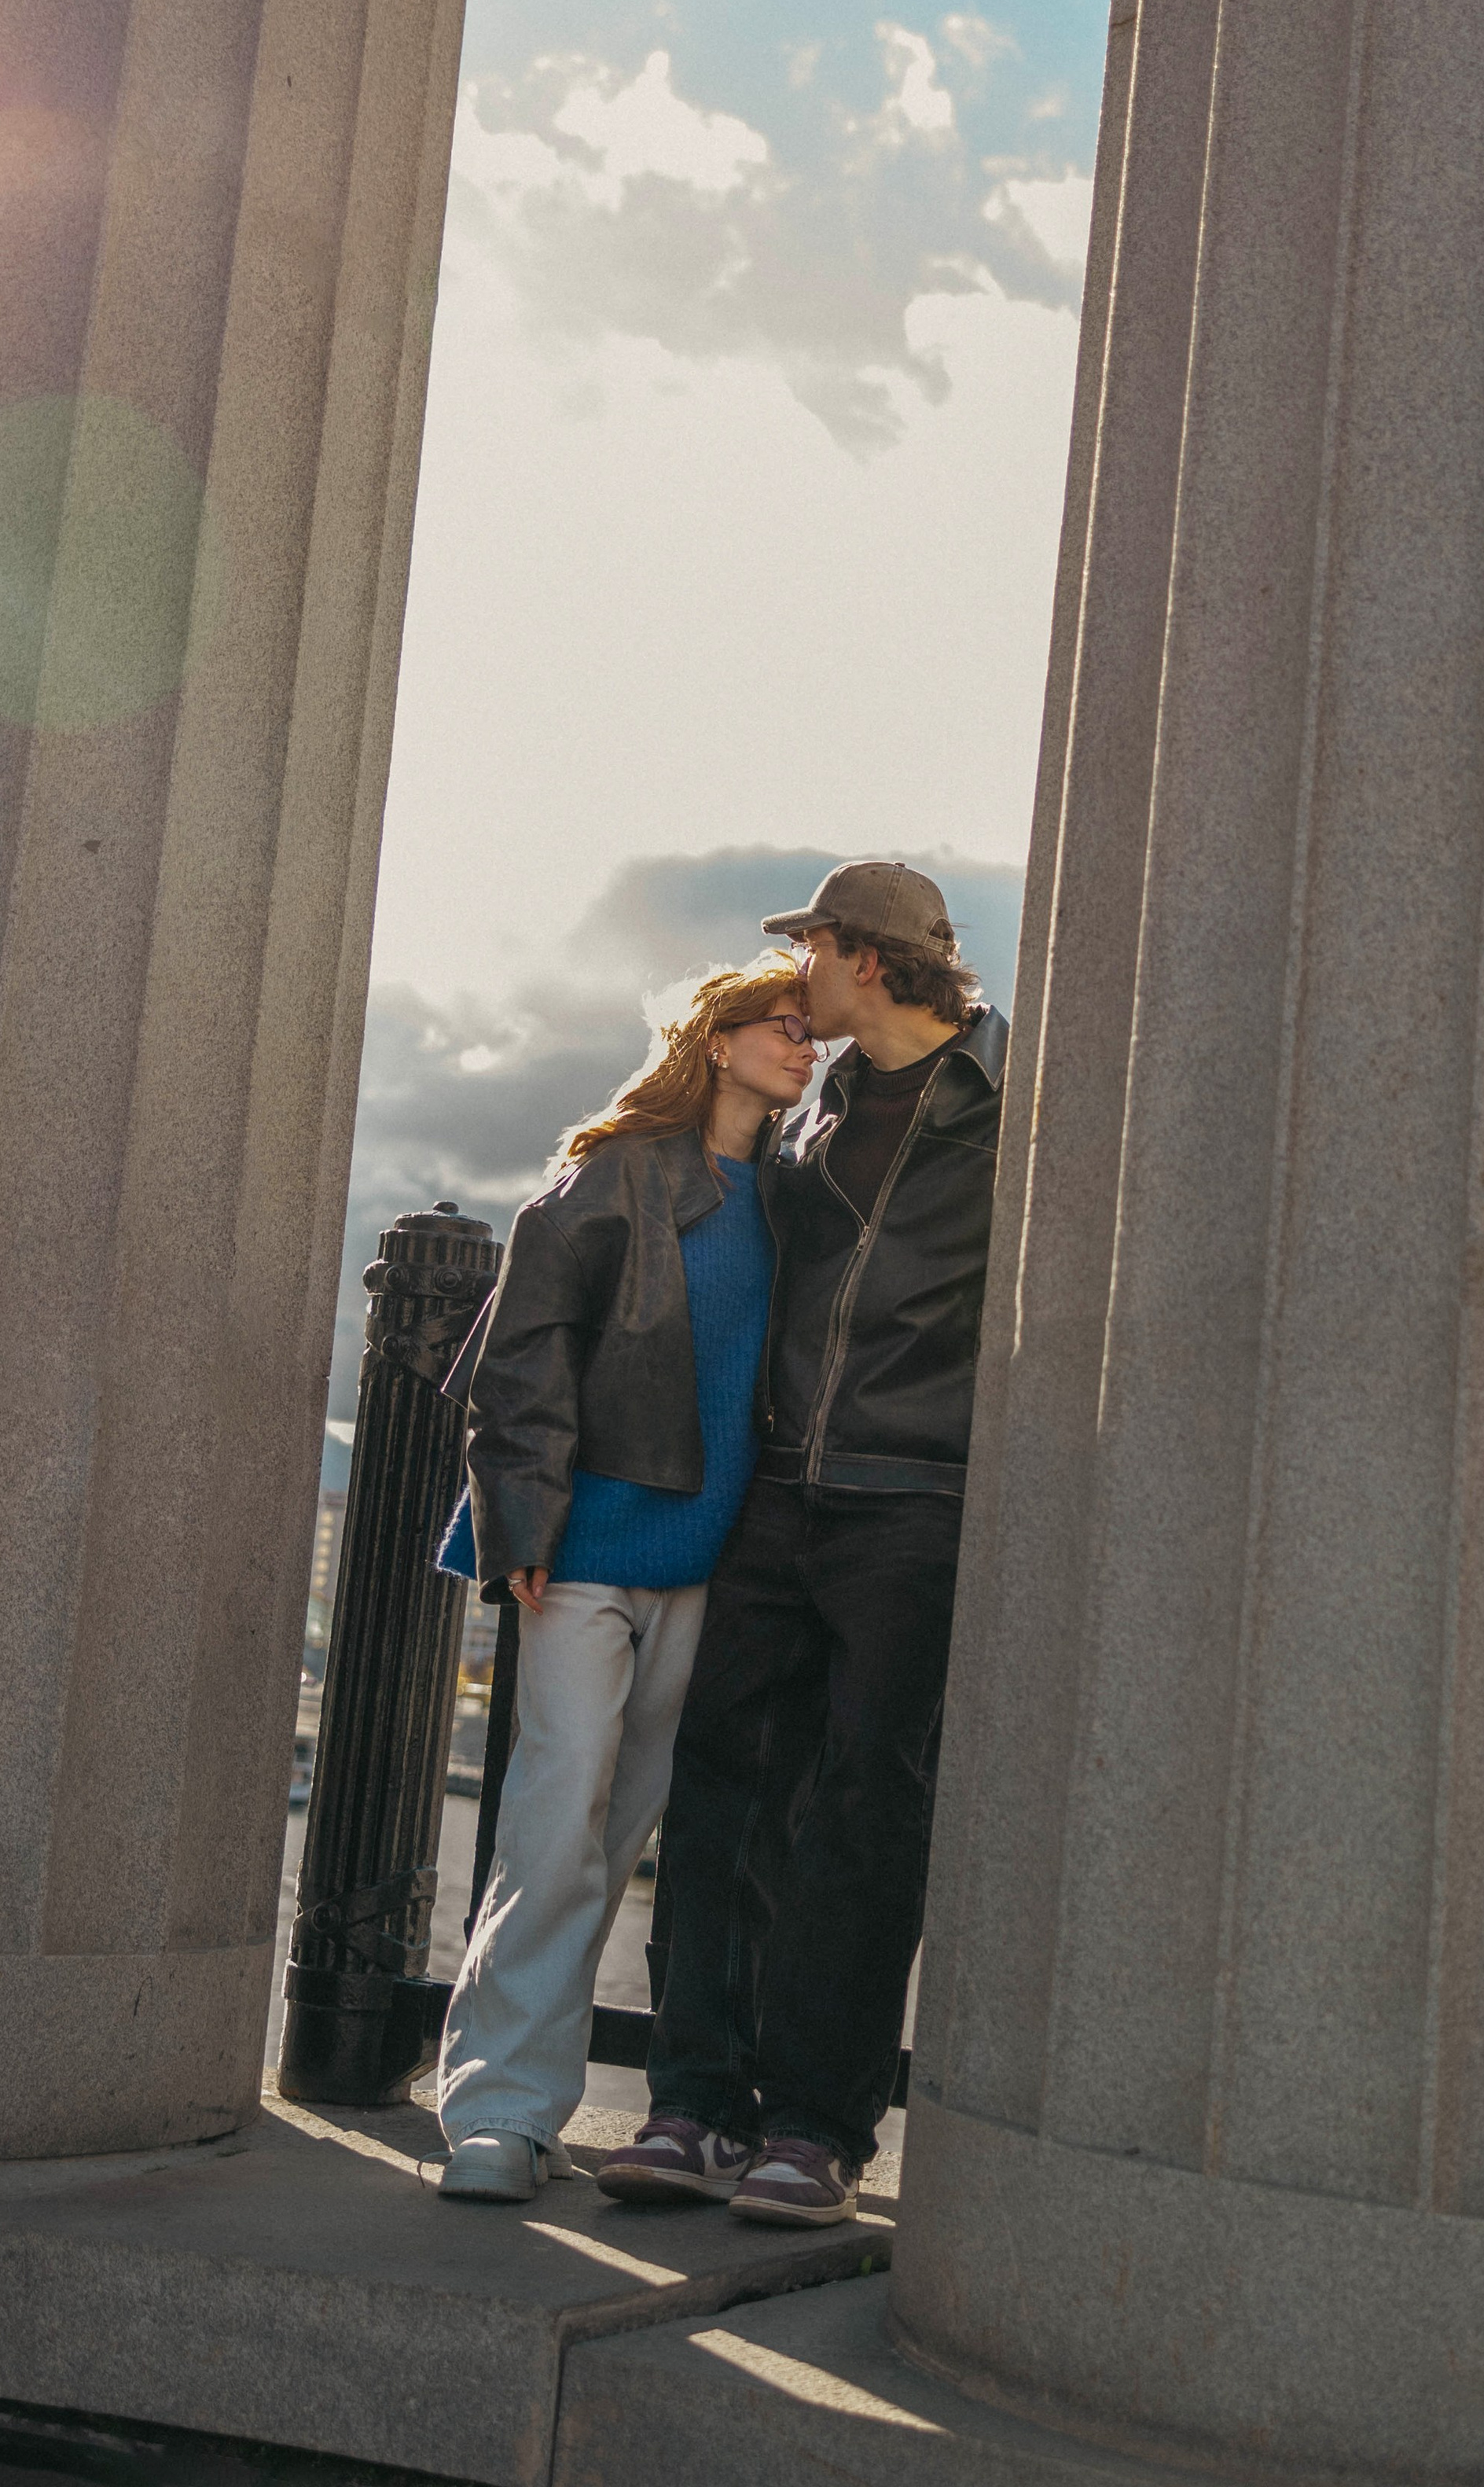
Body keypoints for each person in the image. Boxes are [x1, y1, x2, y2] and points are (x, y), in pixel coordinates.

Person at [598, 860, 1005, 2226]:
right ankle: (694, 2099)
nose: (801, 978)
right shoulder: (815, 1099)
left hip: (915, 1497)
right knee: (718, 1782)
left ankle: (818, 2127)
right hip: (781, 1488)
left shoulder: (1017, 1104)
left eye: (814, 951)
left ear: (870, 963)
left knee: (862, 1807)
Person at [428, 957, 817, 2202]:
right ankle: (496, 2110)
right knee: (554, 1824)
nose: (806, 1048)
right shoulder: (614, 1175)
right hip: (586, 1552)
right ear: (718, 1039)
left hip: (716, 1569)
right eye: (784, 1028)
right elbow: (523, 1354)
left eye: (814, 1033)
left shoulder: (801, 1198)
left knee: (629, 1828)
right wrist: (527, 1519)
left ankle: (553, 2104)